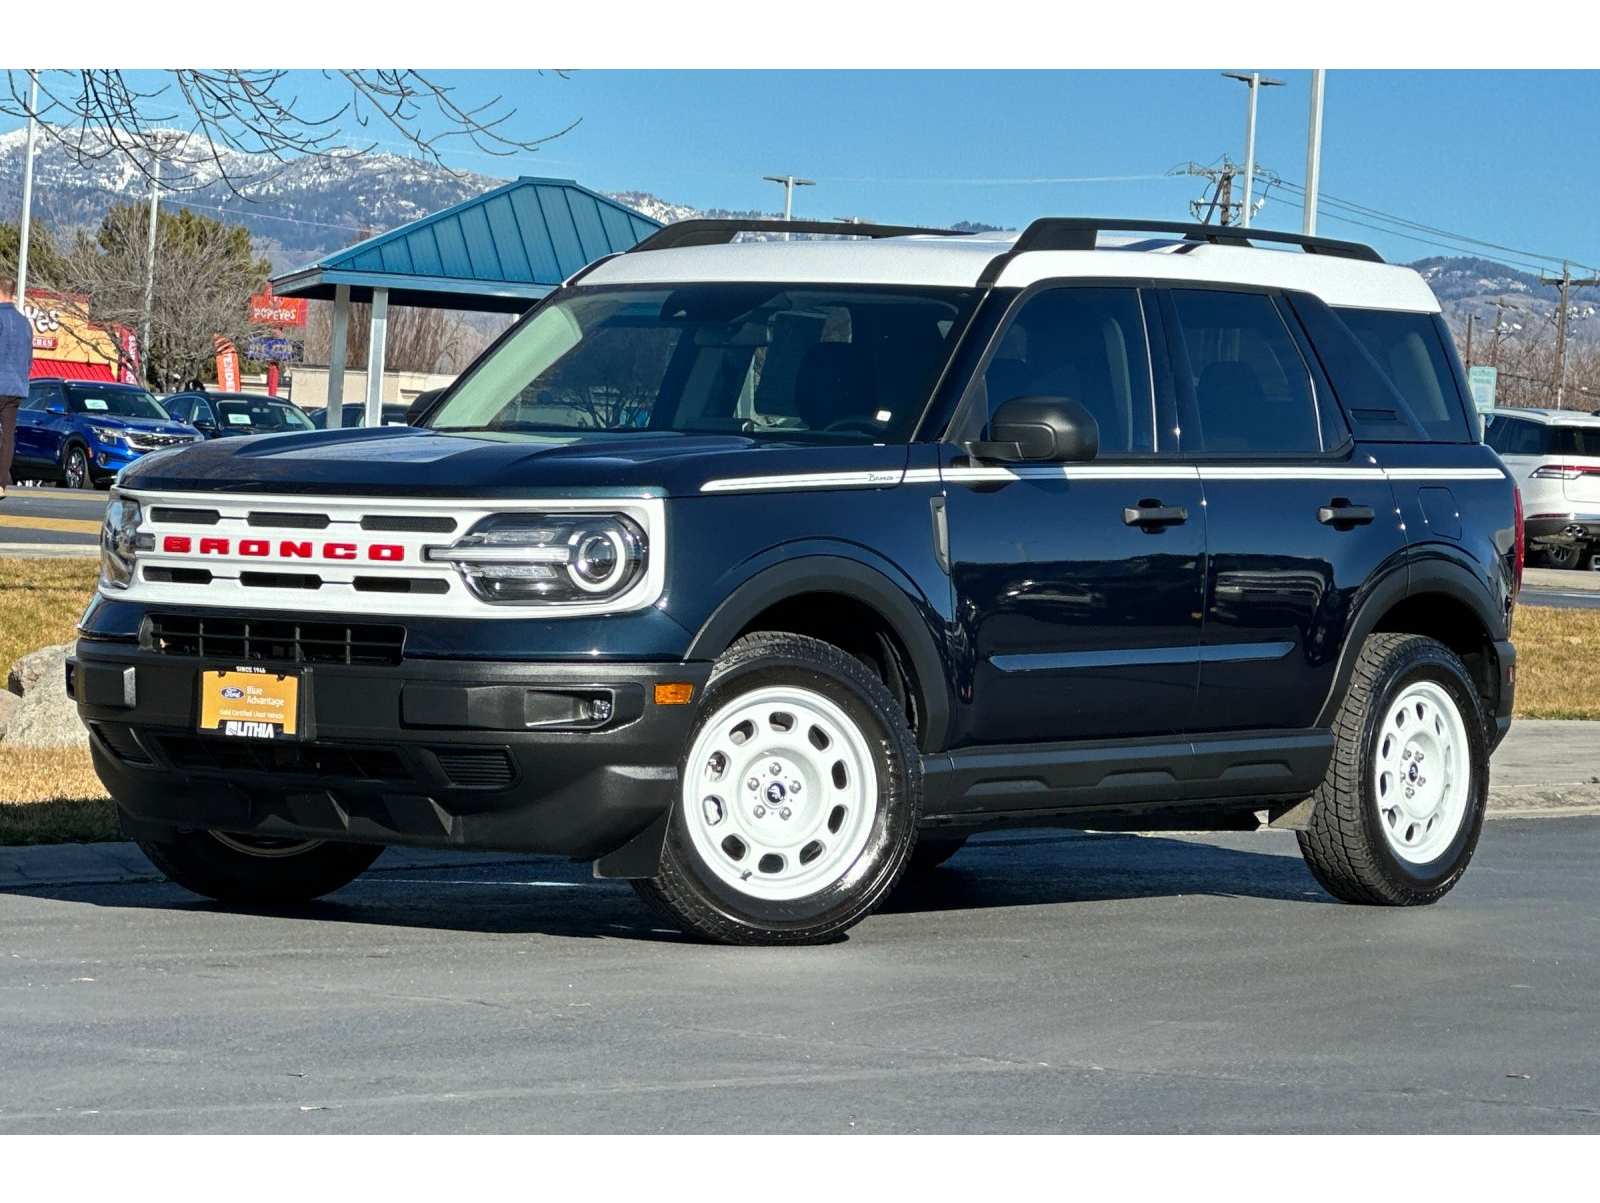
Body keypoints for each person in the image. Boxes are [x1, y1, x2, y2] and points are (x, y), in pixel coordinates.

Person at [0, 300, 36, 502]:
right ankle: (1, 484)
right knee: (8, 436)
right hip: (15, 387)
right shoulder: (24, 323)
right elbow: (29, 357)